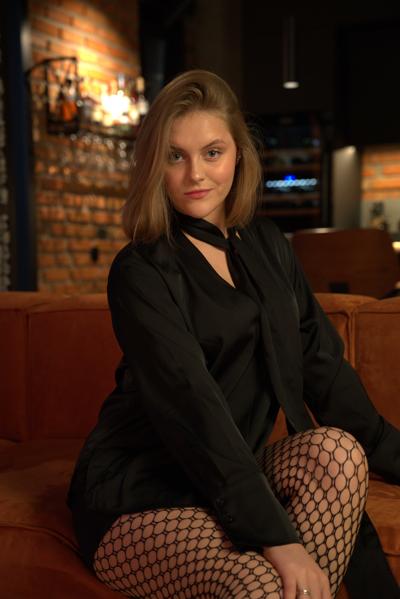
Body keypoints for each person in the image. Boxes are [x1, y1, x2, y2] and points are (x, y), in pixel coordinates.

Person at [67, 70, 400, 599]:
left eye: (212, 152)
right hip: (139, 491)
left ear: (238, 155)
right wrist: (278, 539)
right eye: (175, 156)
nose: (195, 173)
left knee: (337, 451)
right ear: (155, 165)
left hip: (226, 481)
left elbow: (323, 368)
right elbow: (192, 404)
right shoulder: (141, 269)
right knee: (260, 583)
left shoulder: (268, 246)